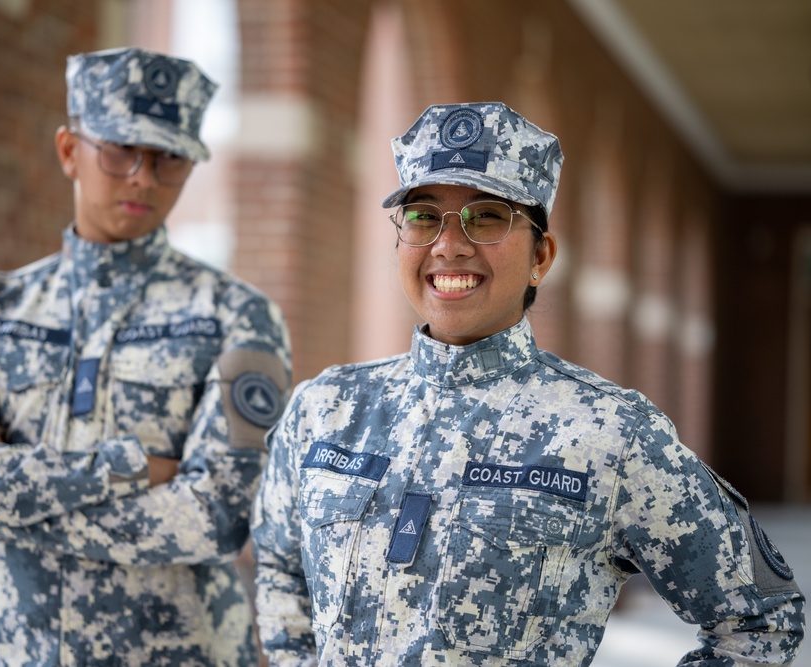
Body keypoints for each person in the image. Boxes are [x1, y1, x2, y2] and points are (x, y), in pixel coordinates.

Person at [250, 102, 805, 665]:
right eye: (423, 216)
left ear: (541, 254)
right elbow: (279, 570)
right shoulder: (323, 411)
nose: (449, 245)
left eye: (486, 216)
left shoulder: (611, 433)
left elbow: (763, 621)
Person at [0, 47, 291, 666]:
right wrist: (124, 470)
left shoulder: (240, 316)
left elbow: (218, 515)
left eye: (169, 158)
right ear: (70, 151)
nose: (143, 178)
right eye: (120, 151)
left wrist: (2, 481)